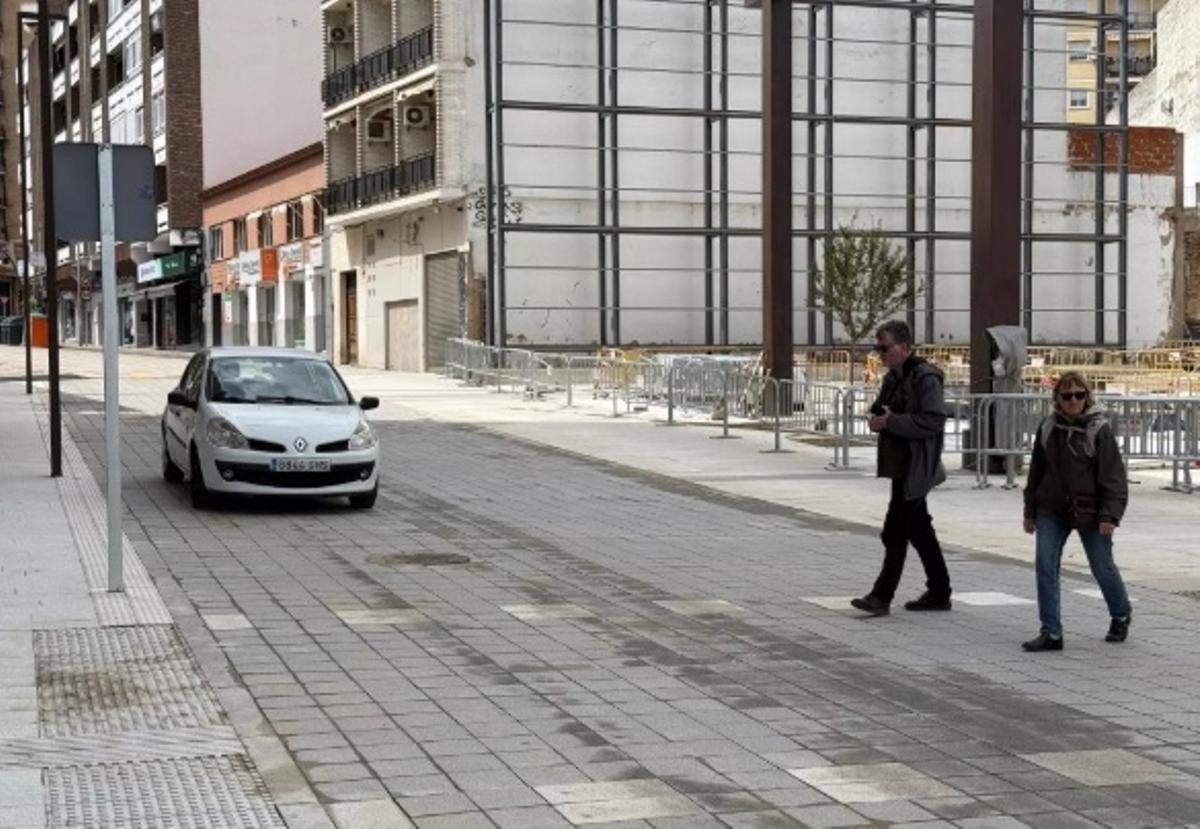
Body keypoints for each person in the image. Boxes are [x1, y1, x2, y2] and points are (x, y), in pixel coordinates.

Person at [1021, 372, 1131, 652]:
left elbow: (1113, 476)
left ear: (1087, 397)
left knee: (1101, 566)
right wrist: (1030, 509)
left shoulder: (1098, 430)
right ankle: (1051, 632)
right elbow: (1036, 472)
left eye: (1078, 395)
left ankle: (1120, 613)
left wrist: (1109, 515)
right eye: (1067, 396)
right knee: (1045, 565)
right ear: (1057, 398)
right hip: (1052, 508)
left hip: (1090, 508)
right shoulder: (1048, 428)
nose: (1073, 401)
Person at [851, 320, 952, 616]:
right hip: (902, 465)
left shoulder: (925, 377)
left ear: (904, 347)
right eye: (878, 348)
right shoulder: (894, 377)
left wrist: (891, 421)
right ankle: (939, 590)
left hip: (918, 466)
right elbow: (885, 410)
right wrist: (879, 417)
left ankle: (881, 596)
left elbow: (933, 420)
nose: (880, 354)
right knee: (918, 528)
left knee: (895, 531)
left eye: (885, 348)